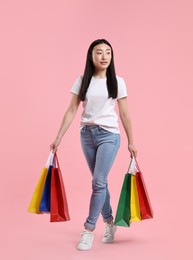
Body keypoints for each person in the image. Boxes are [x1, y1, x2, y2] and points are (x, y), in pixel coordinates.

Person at [49, 39, 137, 251]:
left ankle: (88, 230)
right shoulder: (82, 81)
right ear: (91, 56)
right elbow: (71, 110)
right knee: (101, 182)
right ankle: (109, 222)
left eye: (108, 52)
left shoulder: (117, 81)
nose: (104, 56)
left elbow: (124, 113)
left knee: (98, 181)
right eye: (99, 52)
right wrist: (58, 136)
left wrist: (131, 141)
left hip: (109, 135)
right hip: (87, 136)